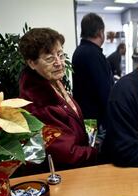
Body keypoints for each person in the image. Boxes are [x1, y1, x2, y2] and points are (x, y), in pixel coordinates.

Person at [18, 28, 97, 170]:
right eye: (49, 59)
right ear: (32, 63)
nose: (59, 63)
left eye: (60, 55)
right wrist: (99, 152)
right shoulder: (38, 103)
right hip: (64, 174)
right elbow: (67, 154)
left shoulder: (52, 81)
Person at [72, 13, 114, 144]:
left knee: (89, 151)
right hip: (96, 120)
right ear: (101, 32)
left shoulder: (79, 51)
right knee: (96, 154)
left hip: (85, 117)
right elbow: (104, 91)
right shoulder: (94, 55)